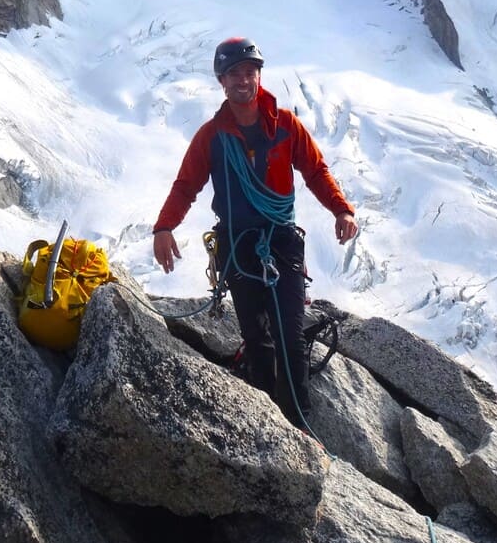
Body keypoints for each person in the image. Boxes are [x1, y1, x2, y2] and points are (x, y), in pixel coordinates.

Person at [152, 38, 358, 426]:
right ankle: (266, 421)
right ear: (222, 82)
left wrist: (341, 209)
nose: (244, 80)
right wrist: (164, 227)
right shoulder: (212, 137)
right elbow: (186, 186)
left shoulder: (285, 125)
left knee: (289, 335)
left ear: (259, 76)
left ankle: (298, 425)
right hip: (238, 245)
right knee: (256, 336)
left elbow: (315, 170)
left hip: (280, 242)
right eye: (235, 74)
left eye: (250, 72)